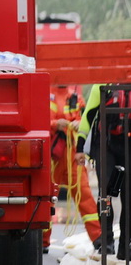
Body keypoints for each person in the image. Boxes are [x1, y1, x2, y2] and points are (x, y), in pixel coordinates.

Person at [45, 86, 102, 255]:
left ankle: (98, 239)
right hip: (50, 155)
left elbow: (85, 118)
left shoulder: (75, 97)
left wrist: (79, 123)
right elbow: (37, 121)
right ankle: (42, 241)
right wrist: (55, 124)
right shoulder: (45, 93)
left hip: (71, 155)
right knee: (46, 198)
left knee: (84, 196)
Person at [79, 84, 129, 259]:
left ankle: (125, 245)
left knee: (128, 197)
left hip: (128, 146)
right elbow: (89, 115)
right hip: (106, 145)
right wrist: (80, 146)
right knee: (105, 194)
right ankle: (107, 243)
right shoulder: (101, 86)